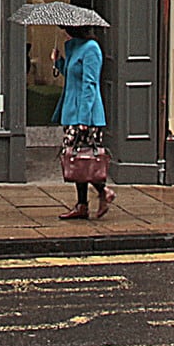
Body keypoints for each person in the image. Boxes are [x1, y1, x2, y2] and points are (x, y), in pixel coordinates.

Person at [54, 24, 114, 220]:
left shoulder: (91, 49)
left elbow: (90, 83)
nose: (63, 32)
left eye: (65, 28)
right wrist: (59, 62)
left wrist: (84, 119)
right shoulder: (74, 46)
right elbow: (72, 77)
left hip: (86, 115)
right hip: (72, 111)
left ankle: (103, 191)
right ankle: (82, 205)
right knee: (76, 159)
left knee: (83, 158)